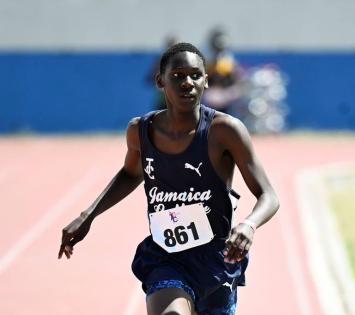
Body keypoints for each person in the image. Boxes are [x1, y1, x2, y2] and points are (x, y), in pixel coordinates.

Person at [58, 42, 279, 315]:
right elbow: (130, 173)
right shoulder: (140, 131)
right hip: (166, 256)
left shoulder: (225, 131)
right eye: (177, 76)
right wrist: (88, 215)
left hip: (216, 262)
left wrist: (249, 225)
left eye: (195, 75)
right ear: (160, 81)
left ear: (206, 81)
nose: (187, 82)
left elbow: (269, 195)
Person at [203, 28, 244, 114]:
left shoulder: (229, 62)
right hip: (209, 101)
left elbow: (238, 83)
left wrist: (228, 94)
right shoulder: (207, 62)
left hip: (226, 101)